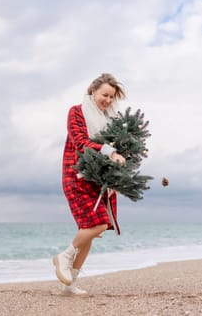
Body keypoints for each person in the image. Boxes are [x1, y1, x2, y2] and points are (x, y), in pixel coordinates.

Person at [53, 73, 126, 296]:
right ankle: (63, 257)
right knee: (99, 225)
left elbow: (123, 147)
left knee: (89, 232)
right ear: (92, 90)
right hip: (77, 176)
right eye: (105, 94)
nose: (108, 100)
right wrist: (109, 151)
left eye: (112, 97)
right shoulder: (77, 111)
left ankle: (68, 284)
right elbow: (80, 141)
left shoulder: (112, 120)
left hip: (100, 181)